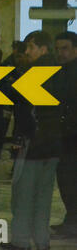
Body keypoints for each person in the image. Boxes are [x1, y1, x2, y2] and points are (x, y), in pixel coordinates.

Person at [0, 31, 60, 250]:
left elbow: (23, 107)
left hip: (33, 143)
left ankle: (21, 240)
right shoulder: (60, 72)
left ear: (43, 49)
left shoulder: (34, 74)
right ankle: (42, 240)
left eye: (31, 48)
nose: (27, 52)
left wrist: (18, 139)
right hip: (53, 144)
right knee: (44, 194)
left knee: (23, 193)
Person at [50, 31, 77, 239]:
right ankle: (71, 219)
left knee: (70, 180)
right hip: (64, 136)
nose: (60, 53)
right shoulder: (61, 71)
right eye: (57, 49)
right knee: (66, 180)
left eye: (65, 48)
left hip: (72, 137)